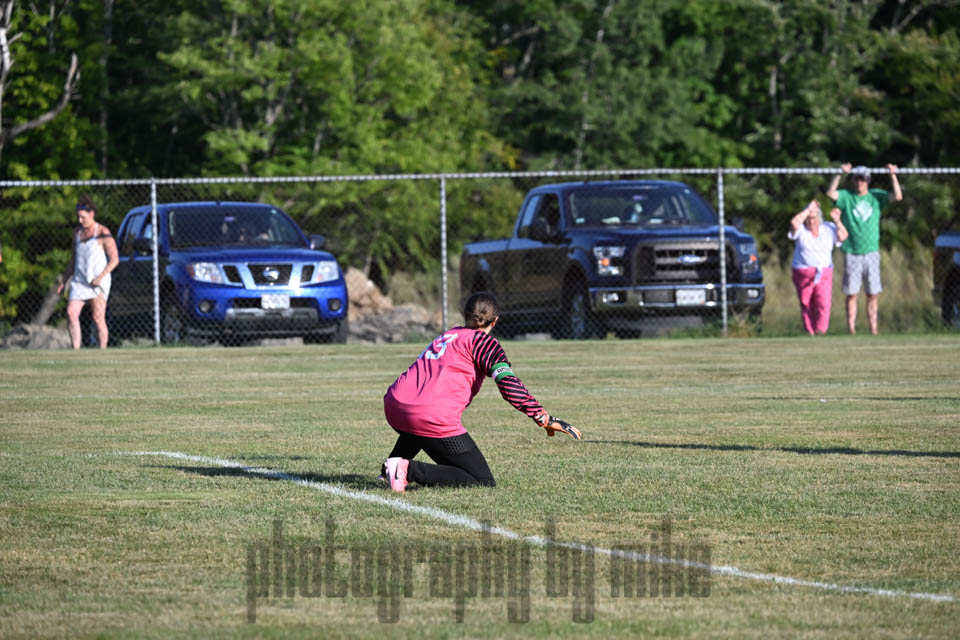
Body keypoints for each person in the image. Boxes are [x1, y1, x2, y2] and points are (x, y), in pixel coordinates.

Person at [380, 291, 581, 493]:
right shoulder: (484, 343)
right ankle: (407, 470)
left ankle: (387, 471)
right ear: (495, 322)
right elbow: (508, 384)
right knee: (481, 480)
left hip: (395, 405)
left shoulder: (449, 335)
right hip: (428, 415)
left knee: (418, 422)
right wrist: (542, 417)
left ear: (465, 315)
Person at [826, 163, 902, 335]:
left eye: (863, 179)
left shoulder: (875, 197)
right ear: (853, 180)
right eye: (857, 178)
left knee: (872, 293)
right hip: (852, 252)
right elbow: (831, 193)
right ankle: (851, 329)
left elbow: (898, 196)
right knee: (852, 293)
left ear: (868, 180)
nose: (860, 182)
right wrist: (839, 174)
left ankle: (873, 329)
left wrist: (892, 175)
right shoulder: (847, 197)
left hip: (871, 252)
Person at [57, 196, 119, 349]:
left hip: (98, 282)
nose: (80, 220)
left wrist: (100, 277)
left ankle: (102, 350)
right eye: (78, 216)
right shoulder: (77, 233)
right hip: (80, 281)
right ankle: (76, 349)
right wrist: (64, 281)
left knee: (98, 318)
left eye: (83, 217)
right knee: (71, 313)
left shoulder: (102, 232)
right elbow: (73, 260)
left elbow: (114, 259)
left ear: (92, 214)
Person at [788, 200, 848, 335]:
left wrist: (837, 221)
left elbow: (843, 235)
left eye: (814, 218)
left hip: (824, 272)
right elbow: (794, 223)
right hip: (803, 272)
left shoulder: (828, 228)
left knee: (823, 303)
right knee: (806, 303)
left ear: (819, 218)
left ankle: (821, 331)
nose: (811, 221)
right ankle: (810, 332)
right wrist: (807, 210)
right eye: (808, 218)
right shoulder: (801, 231)